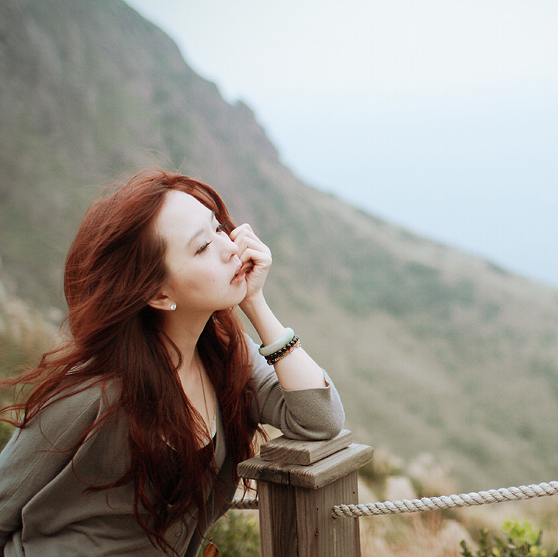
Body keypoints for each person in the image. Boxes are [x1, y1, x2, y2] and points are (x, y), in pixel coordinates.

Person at [0, 170, 345, 556]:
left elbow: (320, 419)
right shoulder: (95, 392)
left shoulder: (226, 356)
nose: (230, 247)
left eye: (218, 227)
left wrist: (255, 303)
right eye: (202, 247)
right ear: (159, 295)